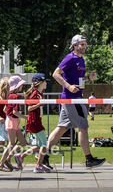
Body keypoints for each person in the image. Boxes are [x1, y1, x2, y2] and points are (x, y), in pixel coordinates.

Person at [42, 35, 105, 170]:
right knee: (83, 127)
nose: (84, 47)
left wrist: (88, 78)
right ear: (74, 45)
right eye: (81, 44)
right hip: (71, 99)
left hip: (75, 97)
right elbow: (55, 74)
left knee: (61, 128)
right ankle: (89, 159)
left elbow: (79, 81)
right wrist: (68, 86)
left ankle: (43, 156)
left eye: (85, 44)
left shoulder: (81, 60)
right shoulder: (70, 58)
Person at [18, 74, 49, 172]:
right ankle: (38, 166)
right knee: (44, 144)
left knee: (40, 145)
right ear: (40, 83)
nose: (46, 83)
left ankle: (21, 156)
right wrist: (39, 104)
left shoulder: (40, 93)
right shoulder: (35, 94)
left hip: (36, 120)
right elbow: (29, 108)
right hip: (34, 121)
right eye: (45, 82)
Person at [0, 75, 26, 171]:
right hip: (12, 121)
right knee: (11, 143)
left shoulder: (10, 96)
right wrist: (25, 117)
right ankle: (1, 163)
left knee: (23, 142)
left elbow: (5, 109)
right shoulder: (15, 96)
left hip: (12, 120)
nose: (22, 86)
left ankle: (8, 157)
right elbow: (15, 112)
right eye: (21, 85)